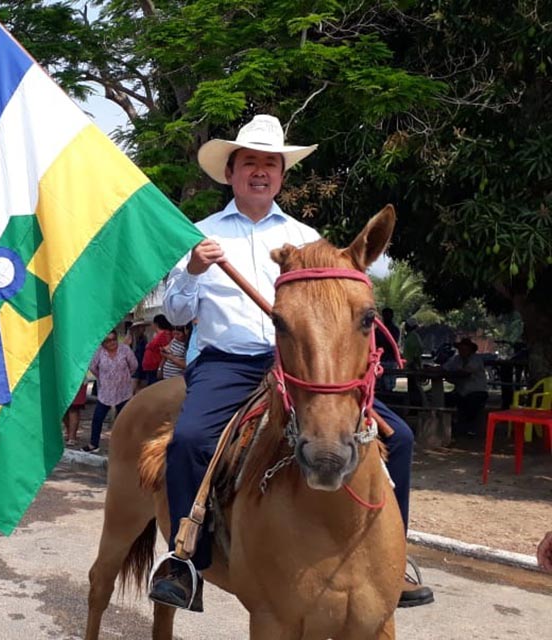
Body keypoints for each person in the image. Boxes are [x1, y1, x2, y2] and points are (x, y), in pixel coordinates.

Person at [149, 114, 432, 611]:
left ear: (281, 175)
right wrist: (192, 268)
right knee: (191, 441)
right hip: (228, 363)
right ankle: (186, 557)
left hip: (300, 363)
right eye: (250, 163)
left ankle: (395, 558)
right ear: (230, 173)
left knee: (399, 439)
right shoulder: (197, 234)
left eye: (270, 165)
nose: (261, 172)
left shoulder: (307, 237)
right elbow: (173, 313)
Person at [82, 329, 138, 453]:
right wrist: (103, 378)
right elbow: (93, 368)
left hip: (123, 391)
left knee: (124, 419)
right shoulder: (99, 352)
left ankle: (125, 446)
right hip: (105, 392)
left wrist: (124, 377)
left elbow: (134, 366)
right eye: (108, 341)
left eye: (114, 339)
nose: (112, 343)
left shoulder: (125, 350)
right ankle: (93, 444)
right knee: (97, 418)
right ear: (103, 343)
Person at [442, 337, 489, 436]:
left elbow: (466, 372)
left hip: (477, 391)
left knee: (472, 402)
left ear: (470, 350)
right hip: (460, 391)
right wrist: (436, 369)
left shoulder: (476, 359)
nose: (462, 351)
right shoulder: (456, 359)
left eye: (465, 349)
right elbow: (445, 367)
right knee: (445, 399)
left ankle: (470, 429)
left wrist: (450, 374)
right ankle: (446, 424)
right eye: (460, 349)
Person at [140, 314, 173, 386]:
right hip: (151, 367)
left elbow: (165, 352)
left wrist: (160, 368)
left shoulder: (165, 335)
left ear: (156, 324)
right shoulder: (158, 335)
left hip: (156, 367)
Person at [376, 308, 401, 392]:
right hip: (380, 360)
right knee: (379, 385)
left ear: (392, 316)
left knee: (389, 385)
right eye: (385, 315)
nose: (386, 317)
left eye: (388, 315)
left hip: (390, 360)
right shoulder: (378, 330)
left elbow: (392, 343)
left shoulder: (394, 330)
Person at [402, 317, 425, 407]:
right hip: (410, 366)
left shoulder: (413, 337)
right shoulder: (410, 336)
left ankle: (416, 407)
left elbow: (416, 354)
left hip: (413, 366)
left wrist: (414, 365)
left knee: (414, 388)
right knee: (411, 388)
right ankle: (413, 406)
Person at [63, 379, 88, 446]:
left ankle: (72, 437)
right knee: (63, 408)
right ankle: (69, 432)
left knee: (73, 408)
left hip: (77, 380)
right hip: (63, 380)